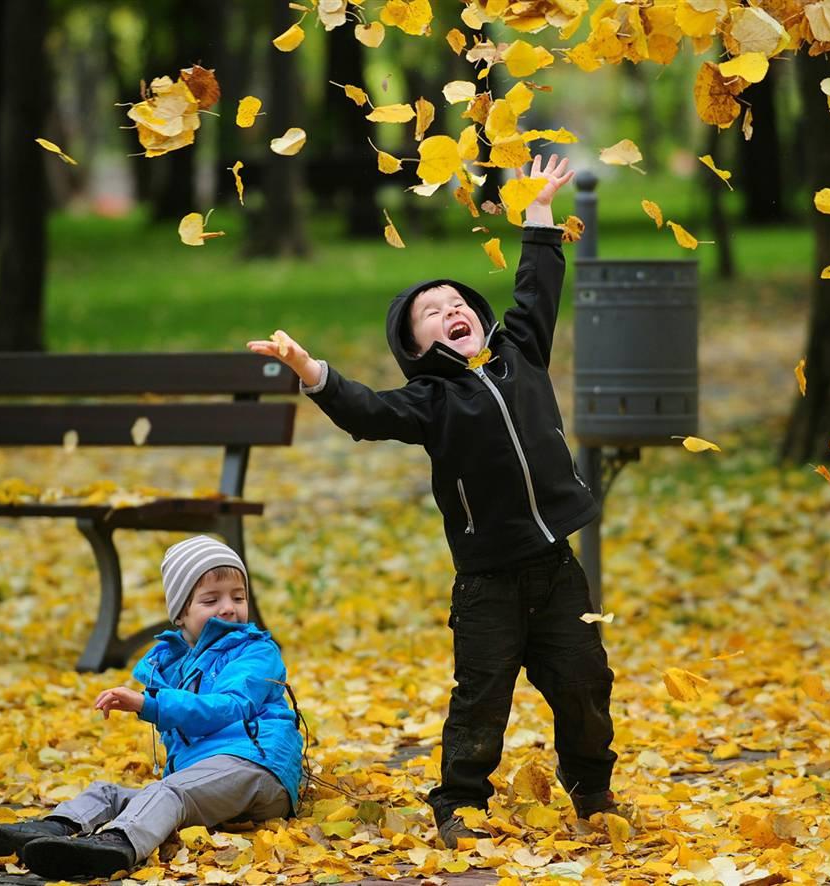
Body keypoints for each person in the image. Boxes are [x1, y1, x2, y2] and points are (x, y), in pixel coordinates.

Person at [248, 154, 619, 849]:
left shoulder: (520, 352)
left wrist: (540, 212)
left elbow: (538, 289)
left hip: (555, 567)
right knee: (481, 696)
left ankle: (592, 788)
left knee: (585, 681)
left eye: (457, 304)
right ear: (416, 345)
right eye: (432, 312)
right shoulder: (430, 400)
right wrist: (310, 370)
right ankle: (461, 801)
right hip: (488, 582)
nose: (451, 311)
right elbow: (366, 411)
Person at [0, 536, 304, 879]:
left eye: (238, 597)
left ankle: (117, 845)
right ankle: (49, 831)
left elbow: (229, 706)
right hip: (208, 776)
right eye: (211, 600)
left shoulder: (256, 652)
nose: (229, 608)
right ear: (181, 613)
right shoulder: (173, 663)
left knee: (167, 792)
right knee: (108, 793)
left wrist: (150, 704)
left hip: (258, 767)